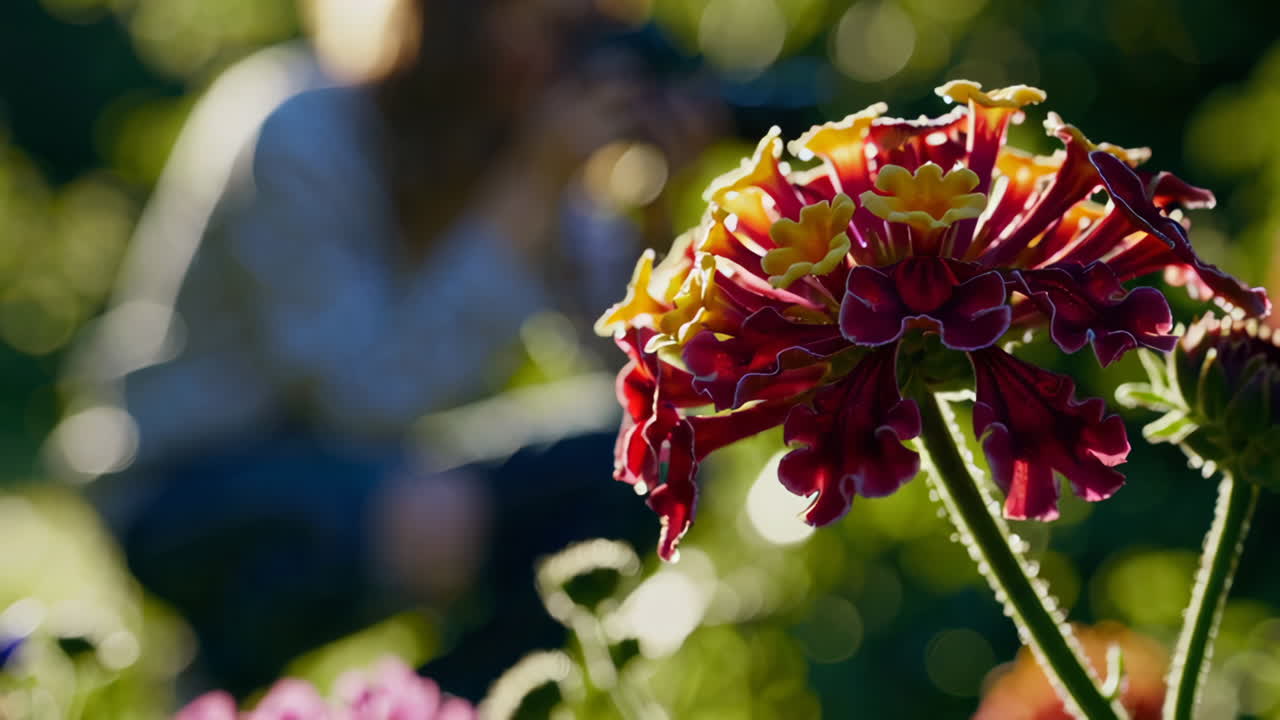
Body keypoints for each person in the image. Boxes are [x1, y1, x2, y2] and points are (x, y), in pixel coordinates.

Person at [53, 0, 718, 699]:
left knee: (650, 460)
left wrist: (656, 209)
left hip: (377, 477)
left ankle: (441, 707)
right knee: (425, 516)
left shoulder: (515, 142)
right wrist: (527, 196)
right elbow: (361, 398)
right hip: (182, 491)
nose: (578, 69)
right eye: (558, 32)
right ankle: (236, 673)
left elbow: (637, 373)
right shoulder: (295, 125)